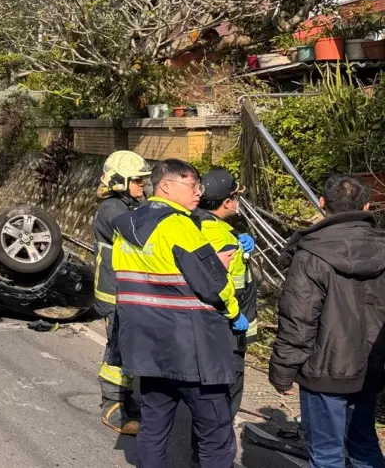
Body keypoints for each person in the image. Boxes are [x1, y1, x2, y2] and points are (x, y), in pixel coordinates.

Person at [112, 159, 246, 468]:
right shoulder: (179, 225)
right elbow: (213, 284)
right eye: (192, 185)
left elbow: (143, 279)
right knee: (215, 432)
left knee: (154, 427)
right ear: (167, 186)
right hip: (192, 347)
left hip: (148, 346)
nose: (198, 193)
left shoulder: (127, 226)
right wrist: (234, 311)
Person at [269, 175, 385, 468]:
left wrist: (283, 370)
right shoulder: (381, 247)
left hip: (325, 369)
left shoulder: (311, 253)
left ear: (322, 204)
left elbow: (298, 317)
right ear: (368, 205)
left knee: (325, 453)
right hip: (372, 363)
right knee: (364, 444)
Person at [191, 168, 258, 466]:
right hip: (227, 332)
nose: (238, 202)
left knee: (204, 400)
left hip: (199, 329)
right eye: (236, 197)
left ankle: (201, 456)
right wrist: (236, 318)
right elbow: (226, 287)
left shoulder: (192, 224)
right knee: (222, 404)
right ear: (227, 202)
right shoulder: (223, 238)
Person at [93, 150, 152, 435]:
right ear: (120, 181)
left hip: (127, 290)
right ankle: (113, 405)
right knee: (117, 351)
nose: (142, 186)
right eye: (138, 181)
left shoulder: (127, 205)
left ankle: (126, 399)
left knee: (127, 349)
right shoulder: (113, 210)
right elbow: (140, 236)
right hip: (115, 293)